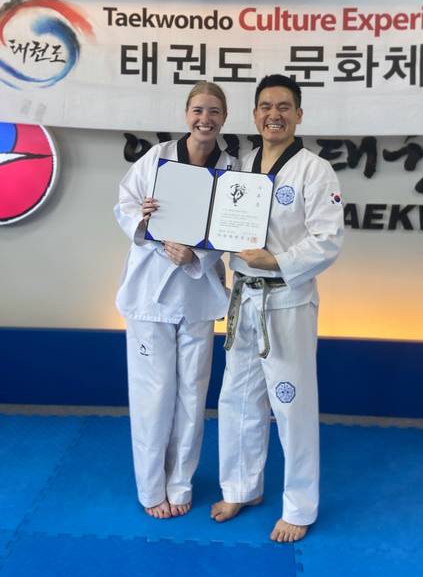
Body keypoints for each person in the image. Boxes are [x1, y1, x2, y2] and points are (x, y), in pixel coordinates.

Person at [211, 74, 344, 543]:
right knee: (238, 395)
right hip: (243, 295)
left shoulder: (314, 170)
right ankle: (241, 487)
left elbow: (329, 240)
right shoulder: (241, 166)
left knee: (290, 403)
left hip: (286, 299)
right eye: (266, 106)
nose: (274, 114)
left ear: (299, 115)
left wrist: (279, 261)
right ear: (254, 115)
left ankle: (299, 506)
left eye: (284, 106)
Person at [115, 81, 236, 520]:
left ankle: (181, 480)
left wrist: (198, 253)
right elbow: (124, 207)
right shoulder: (157, 157)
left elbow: (231, 232)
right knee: (153, 393)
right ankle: (151, 488)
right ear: (187, 113)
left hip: (198, 294)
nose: (206, 119)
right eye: (199, 110)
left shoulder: (230, 168)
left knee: (191, 393)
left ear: (224, 118)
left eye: (215, 111)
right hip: (150, 294)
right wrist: (146, 223)